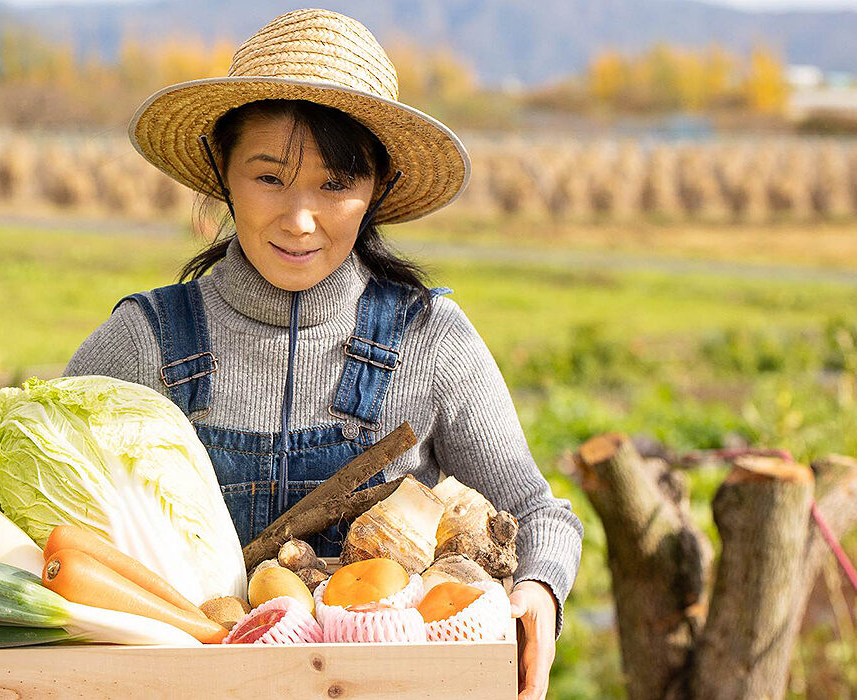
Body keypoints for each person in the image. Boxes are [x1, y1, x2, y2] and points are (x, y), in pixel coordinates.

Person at [63, 8, 582, 698]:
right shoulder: (144, 342)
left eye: (335, 184)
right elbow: (48, 535)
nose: (300, 219)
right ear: (222, 170)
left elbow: (539, 513)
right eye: (269, 178)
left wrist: (539, 591)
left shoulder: (430, 340)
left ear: (377, 187)